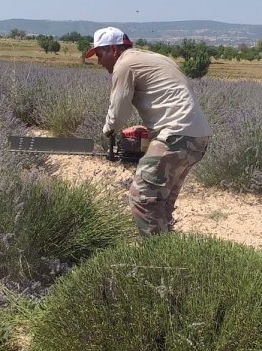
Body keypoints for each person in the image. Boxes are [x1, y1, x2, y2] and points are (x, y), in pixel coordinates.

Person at [86, 26, 212, 237]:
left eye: (100, 54)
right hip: (197, 137)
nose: (99, 62)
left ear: (114, 50)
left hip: (175, 136)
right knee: (160, 202)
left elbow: (118, 112)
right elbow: (172, 98)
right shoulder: (153, 58)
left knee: (141, 197)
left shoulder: (124, 64)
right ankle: (170, 254)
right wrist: (149, 129)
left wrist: (107, 131)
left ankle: (156, 257)